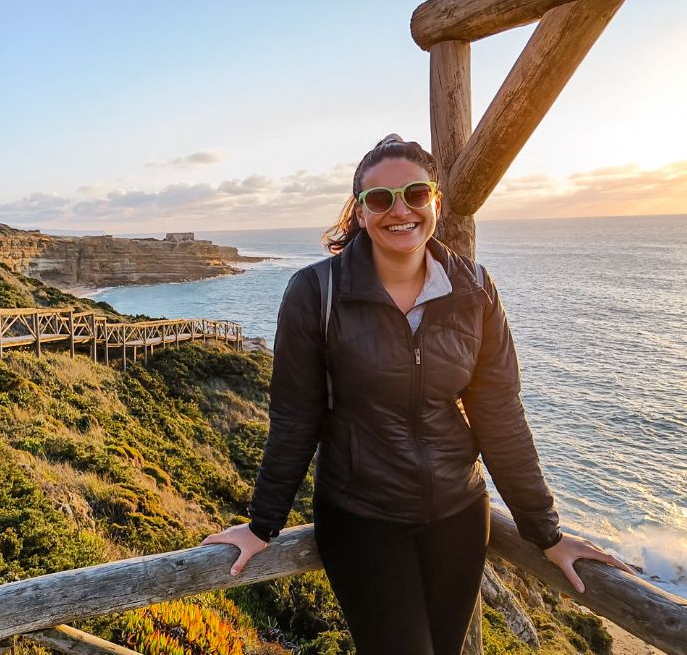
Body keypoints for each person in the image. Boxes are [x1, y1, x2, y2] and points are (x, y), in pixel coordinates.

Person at [202, 134, 634, 655]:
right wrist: (262, 526)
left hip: (458, 513)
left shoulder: (474, 289)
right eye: (380, 200)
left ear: (436, 201)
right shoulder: (316, 292)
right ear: (360, 213)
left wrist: (545, 532)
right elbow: (296, 418)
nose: (399, 210)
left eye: (415, 194)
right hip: (362, 517)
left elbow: (499, 413)